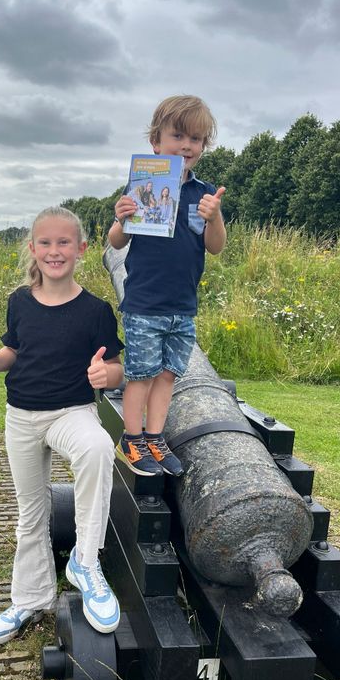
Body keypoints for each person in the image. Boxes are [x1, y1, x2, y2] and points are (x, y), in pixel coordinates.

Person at [0, 206, 125, 645]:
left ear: (81, 249)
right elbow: (11, 354)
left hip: (71, 413)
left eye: (64, 243)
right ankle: (29, 599)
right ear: (33, 249)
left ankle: (86, 562)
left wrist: (106, 376)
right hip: (21, 417)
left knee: (96, 449)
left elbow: (117, 368)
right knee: (30, 512)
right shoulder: (19, 301)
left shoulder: (96, 310)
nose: (54, 251)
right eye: (45, 243)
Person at [107, 95, 227, 478]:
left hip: (182, 304)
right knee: (140, 374)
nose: (187, 145)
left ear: (203, 148)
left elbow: (215, 246)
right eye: (178, 135)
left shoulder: (204, 194)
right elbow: (116, 242)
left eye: (196, 139)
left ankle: (155, 438)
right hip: (145, 302)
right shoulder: (141, 186)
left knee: (167, 376)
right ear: (156, 142)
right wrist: (121, 217)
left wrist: (216, 217)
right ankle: (132, 438)